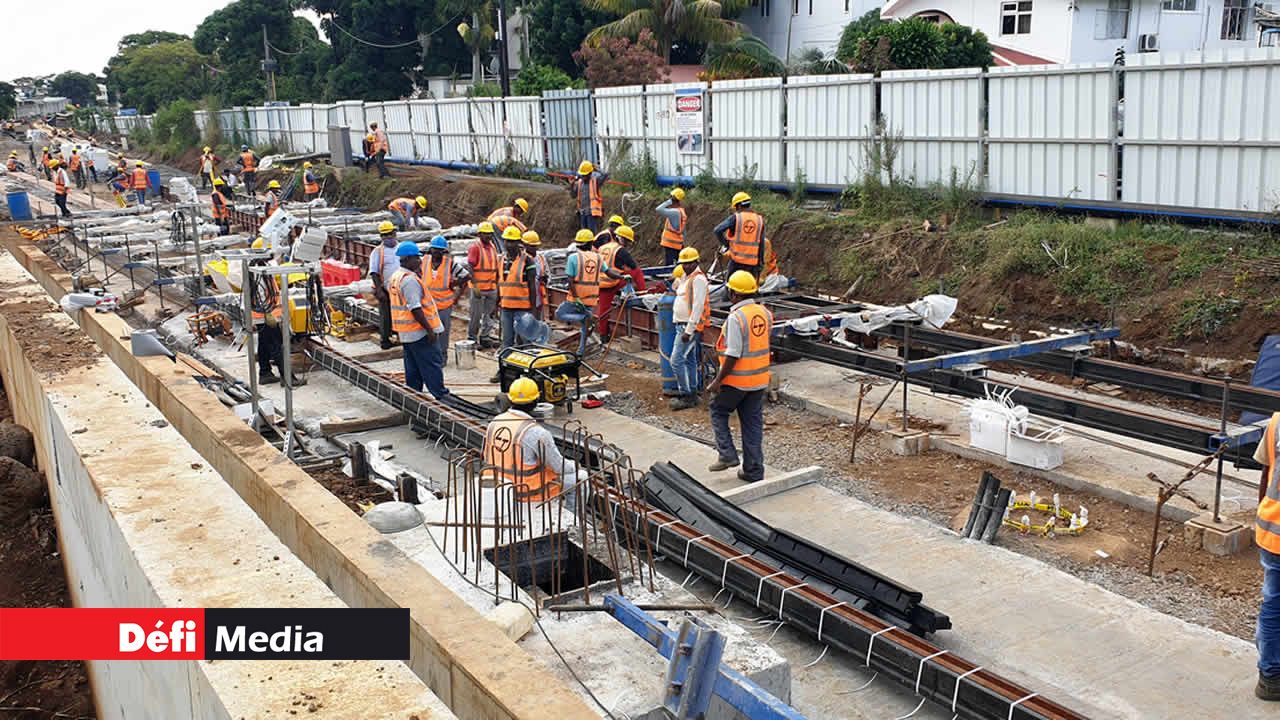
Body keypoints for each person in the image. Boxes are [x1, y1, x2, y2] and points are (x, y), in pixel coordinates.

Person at [707, 271, 773, 482]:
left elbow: (734, 352)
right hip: (759, 380)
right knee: (752, 424)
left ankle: (727, 454)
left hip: (737, 380)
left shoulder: (736, 318)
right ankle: (753, 471)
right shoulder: (765, 313)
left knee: (718, 411)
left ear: (734, 293)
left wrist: (718, 381)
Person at [483, 378, 582, 509]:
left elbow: (486, 455)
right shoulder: (536, 433)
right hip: (526, 493)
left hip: (496, 486)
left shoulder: (495, 422)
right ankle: (572, 520)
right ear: (536, 401)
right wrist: (575, 466)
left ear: (511, 399)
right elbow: (559, 467)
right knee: (581, 478)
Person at [388, 241, 449, 398]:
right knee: (431, 365)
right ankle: (441, 396)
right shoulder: (409, 280)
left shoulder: (396, 277)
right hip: (420, 332)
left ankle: (414, 397)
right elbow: (415, 308)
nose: (420, 261)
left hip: (407, 333)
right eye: (417, 258)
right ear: (408, 259)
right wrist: (429, 330)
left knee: (413, 368)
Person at [557, 229, 629, 357]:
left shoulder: (574, 258)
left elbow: (570, 279)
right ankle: (581, 350)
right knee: (586, 327)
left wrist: (576, 296)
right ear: (591, 243)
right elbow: (609, 273)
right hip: (591, 298)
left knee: (560, 314)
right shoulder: (597, 258)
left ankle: (584, 321)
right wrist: (622, 277)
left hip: (577, 297)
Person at [1253, 411, 1280, 701]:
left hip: (1273, 532)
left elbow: (1265, 473)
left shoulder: (1277, 421)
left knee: (1274, 606)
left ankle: (1270, 678)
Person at [669, 248, 710, 410]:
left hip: (688, 326)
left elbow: (698, 306)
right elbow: (678, 290)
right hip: (682, 324)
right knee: (689, 360)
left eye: (688, 263)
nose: (685, 266)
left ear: (696, 262)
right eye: (683, 264)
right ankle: (692, 391)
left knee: (676, 360)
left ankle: (686, 394)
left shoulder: (699, 279)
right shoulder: (687, 278)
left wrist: (689, 330)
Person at [422, 235, 469, 365]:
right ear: (431, 249)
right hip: (428, 304)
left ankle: (442, 356)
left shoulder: (450, 264)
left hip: (444, 304)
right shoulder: (424, 261)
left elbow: (466, 276)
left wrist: (454, 284)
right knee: (428, 330)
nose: (437, 252)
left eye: (440, 250)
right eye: (435, 249)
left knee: (443, 331)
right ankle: (431, 354)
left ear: (444, 251)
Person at [496, 226, 541, 358]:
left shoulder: (527, 261)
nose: (509, 244)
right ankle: (505, 369)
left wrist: (533, 309)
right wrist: (496, 303)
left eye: (512, 241)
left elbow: (532, 287)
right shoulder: (501, 260)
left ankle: (529, 370)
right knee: (507, 341)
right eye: (507, 241)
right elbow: (500, 283)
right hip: (506, 308)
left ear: (518, 243)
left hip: (523, 308)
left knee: (526, 340)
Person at [596, 225, 646, 341]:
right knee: (637, 272)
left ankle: (603, 336)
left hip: (601, 283)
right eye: (627, 241)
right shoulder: (621, 251)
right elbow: (633, 267)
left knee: (603, 311)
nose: (628, 244)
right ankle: (643, 293)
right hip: (614, 281)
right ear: (622, 239)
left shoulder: (603, 247)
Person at [250, 248, 287, 385]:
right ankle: (287, 377)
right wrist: (268, 313)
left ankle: (265, 373)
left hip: (262, 316)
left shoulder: (258, 268)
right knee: (277, 345)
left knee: (264, 344)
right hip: (266, 316)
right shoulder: (259, 274)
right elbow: (260, 296)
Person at [714, 191, 767, 278]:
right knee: (750, 288)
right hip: (753, 264)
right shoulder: (759, 220)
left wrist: (726, 244)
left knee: (731, 287)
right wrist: (760, 262)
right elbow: (761, 244)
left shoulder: (736, 218)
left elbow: (717, 230)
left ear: (738, 206)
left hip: (736, 263)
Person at [467, 221, 501, 349]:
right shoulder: (475, 247)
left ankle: (485, 337)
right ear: (480, 234)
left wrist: (497, 285)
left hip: (491, 287)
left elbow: (495, 267)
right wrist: (475, 286)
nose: (488, 236)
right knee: (476, 316)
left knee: (489, 315)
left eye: (490, 234)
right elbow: (470, 266)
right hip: (479, 289)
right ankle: (472, 339)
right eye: (486, 234)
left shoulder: (492, 247)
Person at [368, 222, 402, 350]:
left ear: (395, 233)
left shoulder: (401, 248)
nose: (388, 237)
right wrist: (379, 290)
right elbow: (374, 272)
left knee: (401, 314)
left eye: (390, 234)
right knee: (386, 315)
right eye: (385, 235)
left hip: (401, 289)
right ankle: (385, 339)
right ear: (381, 237)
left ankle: (400, 335)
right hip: (386, 289)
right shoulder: (378, 252)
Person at [570, 160, 606, 231]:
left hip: (592, 213)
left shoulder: (595, 182)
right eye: (582, 175)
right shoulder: (579, 183)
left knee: (592, 233)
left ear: (590, 173)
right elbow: (573, 196)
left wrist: (597, 169)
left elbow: (606, 175)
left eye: (585, 175)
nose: (583, 176)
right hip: (582, 213)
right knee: (584, 234)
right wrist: (572, 185)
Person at [656, 187, 688, 266]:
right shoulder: (681, 211)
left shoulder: (674, 212)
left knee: (669, 266)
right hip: (678, 244)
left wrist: (668, 202)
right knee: (679, 264)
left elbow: (658, 209)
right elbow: (684, 231)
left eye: (670, 197)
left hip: (671, 244)